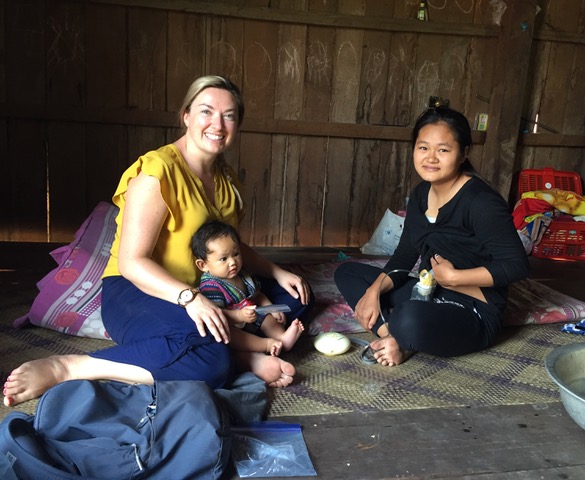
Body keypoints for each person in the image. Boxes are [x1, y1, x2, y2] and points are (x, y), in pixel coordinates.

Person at [3, 75, 314, 407]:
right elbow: (132, 262)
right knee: (211, 362)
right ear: (186, 116)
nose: (217, 125)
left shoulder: (227, 180)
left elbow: (227, 251)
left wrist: (278, 272)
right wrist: (190, 298)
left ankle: (230, 345)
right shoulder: (157, 172)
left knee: (298, 297)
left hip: (207, 287)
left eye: (229, 116)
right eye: (206, 112)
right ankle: (73, 367)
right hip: (137, 292)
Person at [334, 107, 529, 366]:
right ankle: (393, 338)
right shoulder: (419, 195)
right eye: (423, 148)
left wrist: (456, 278)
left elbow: (517, 265)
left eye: (443, 150)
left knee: (409, 318)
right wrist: (373, 291)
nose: (431, 158)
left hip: (473, 310)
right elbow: (405, 256)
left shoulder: (481, 202)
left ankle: (403, 336)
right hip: (428, 292)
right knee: (348, 274)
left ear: (464, 153)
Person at [192, 219, 305, 356]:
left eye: (236, 254)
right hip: (232, 324)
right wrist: (239, 316)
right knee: (231, 335)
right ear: (203, 265)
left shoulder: (243, 275)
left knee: (266, 316)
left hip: (251, 317)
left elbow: (257, 295)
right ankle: (267, 345)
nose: (233, 262)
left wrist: (271, 308)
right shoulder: (211, 286)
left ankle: (282, 338)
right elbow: (218, 314)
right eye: (223, 259)